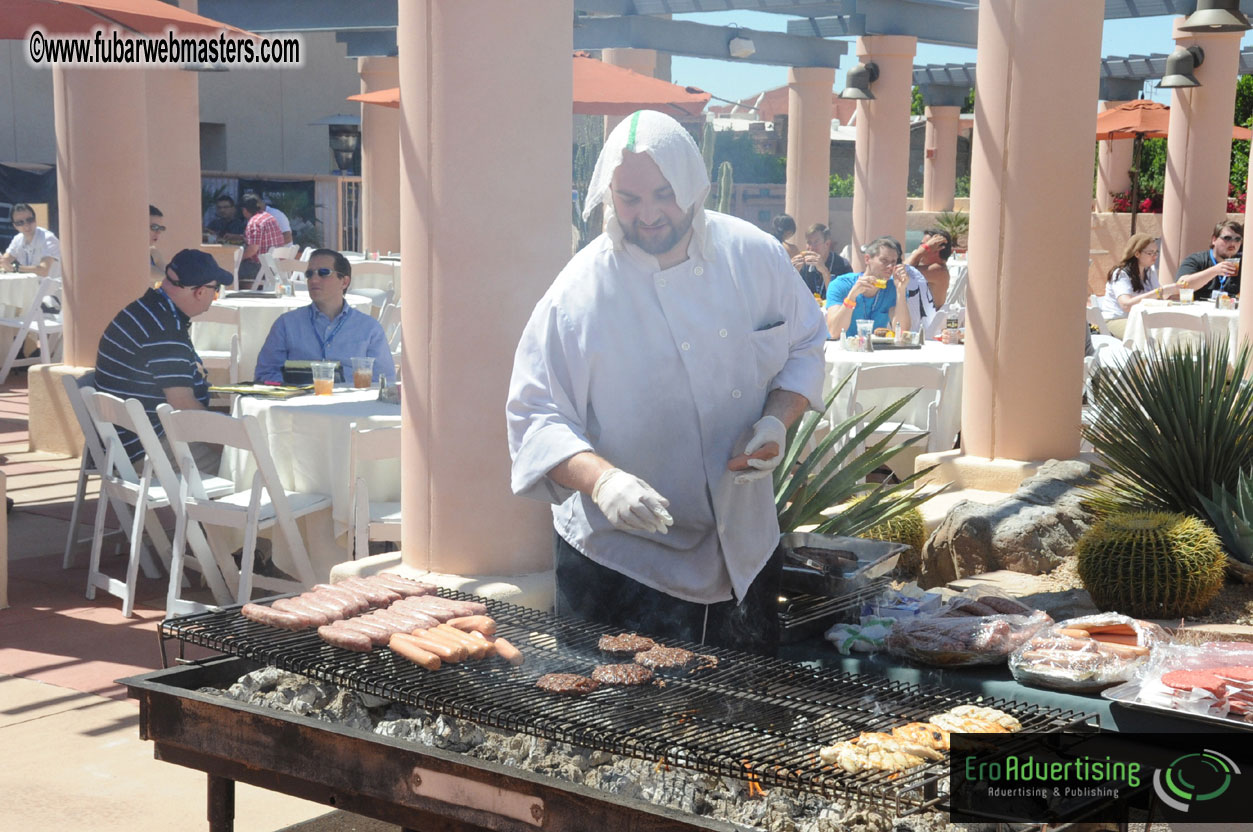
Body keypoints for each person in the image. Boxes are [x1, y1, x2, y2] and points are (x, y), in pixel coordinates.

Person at [507, 110, 826, 655]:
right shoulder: (578, 293)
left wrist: (777, 419)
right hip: (622, 562)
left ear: (695, 185)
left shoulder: (755, 256)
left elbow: (806, 343)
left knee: (742, 700)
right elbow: (537, 414)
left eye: (664, 194)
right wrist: (603, 481)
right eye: (629, 199)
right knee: (612, 702)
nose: (648, 214)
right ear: (608, 195)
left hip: (744, 546)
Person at [94, 249, 231, 471]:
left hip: (125, 441)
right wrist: (229, 447)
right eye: (216, 290)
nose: (214, 297)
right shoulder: (164, 329)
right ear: (200, 292)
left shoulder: (148, 309)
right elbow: (183, 405)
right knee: (245, 466)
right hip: (147, 449)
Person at [253, 249, 396, 384]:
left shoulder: (369, 328)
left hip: (352, 399)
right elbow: (265, 374)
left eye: (324, 273)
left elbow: (385, 380)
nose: (314, 280)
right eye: (309, 274)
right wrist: (296, 388)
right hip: (300, 400)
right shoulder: (286, 324)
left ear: (344, 282)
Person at [824, 235, 915, 339]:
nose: (890, 266)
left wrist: (901, 291)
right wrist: (851, 297)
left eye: (893, 262)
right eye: (884, 260)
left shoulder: (893, 287)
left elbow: (902, 332)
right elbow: (834, 332)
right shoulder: (841, 284)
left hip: (875, 347)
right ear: (867, 259)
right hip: (843, 346)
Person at [1098, 234, 1175, 339]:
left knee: (1172, 330)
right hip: (1116, 320)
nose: (1155, 256)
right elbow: (1126, 305)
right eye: (1150, 253)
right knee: (1153, 335)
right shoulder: (1121, 273)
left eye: (1156, 252)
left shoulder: (1149, 271)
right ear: (1137, 253)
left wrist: (1172, 296)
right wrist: (1159, 291)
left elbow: (1158, 298)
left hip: (1141, 319)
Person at [1175, 219, 1242, 301]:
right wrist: (1215, 271)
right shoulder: (1197, 260)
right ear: (1214, 240)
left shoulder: (1243, 265)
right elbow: (1180, 286)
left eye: (1237, 239)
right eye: (1227, 238)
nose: (1232, 243)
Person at [1, 203, 61, 279]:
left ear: (35, 220)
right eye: (20, 222)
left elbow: (44, 270)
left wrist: (15, 268)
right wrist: (3, 262)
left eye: (29, 220)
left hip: (52, 286)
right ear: (15, 226)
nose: (26, 225)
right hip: (31, 285)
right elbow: (6, 260)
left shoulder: (48, 238)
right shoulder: (18, 239)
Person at [792, 223, 852, 297]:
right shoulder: (803, 266)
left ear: (827, 244)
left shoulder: (843, 265)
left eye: (816, 242)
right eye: (809, 242)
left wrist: (825, 272)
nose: (811, 248)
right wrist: (793, 273)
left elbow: (841, 297)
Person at [238, 195, 284, 288]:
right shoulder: (269, 217)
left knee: (229, 267)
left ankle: (239, 292)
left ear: (244, 210)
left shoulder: (254, 222)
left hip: (260, 267)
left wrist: (237, 259)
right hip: (276, 266)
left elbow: (253, 249)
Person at [905, 228, 954, 305]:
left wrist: (920, 252)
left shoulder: (938, 270)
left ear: (937, 249)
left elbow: (901, 273)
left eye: (925, 245)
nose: (920, 248)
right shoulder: (929, 268)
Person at [149, 205, 167, 281]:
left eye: (161, 228)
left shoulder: (153, 253)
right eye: (154, 227)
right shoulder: (130, 254)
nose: (159, 232)